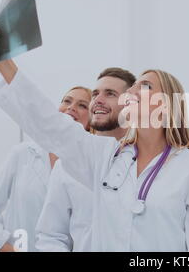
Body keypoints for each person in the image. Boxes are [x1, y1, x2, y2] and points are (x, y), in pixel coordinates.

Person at [0, 21, 189, 251]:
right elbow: (50, 124)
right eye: (133, 87)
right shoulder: (102, 156)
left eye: (145, 86)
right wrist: (3, 61)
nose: (133, 91)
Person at [0, 85, 92, 252]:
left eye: (82, 105)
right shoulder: (23, 154)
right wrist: (3, 245)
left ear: (90, 122)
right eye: (67, 101)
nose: (72, 107)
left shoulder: (88, 167)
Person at [35, 68, 136, 252]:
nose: (97, 100)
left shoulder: (145, 160)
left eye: (110, 94)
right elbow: (51, 235)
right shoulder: (67, 164)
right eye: (95, 94)